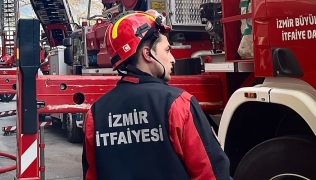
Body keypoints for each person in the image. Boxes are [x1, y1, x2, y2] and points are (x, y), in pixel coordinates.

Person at [82, 11, 233, 180]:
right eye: (167, 50)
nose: (173, 59)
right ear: (147, 54)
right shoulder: (179, 104)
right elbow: (211, 173)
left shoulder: (96, 114)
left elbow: (91, 175)